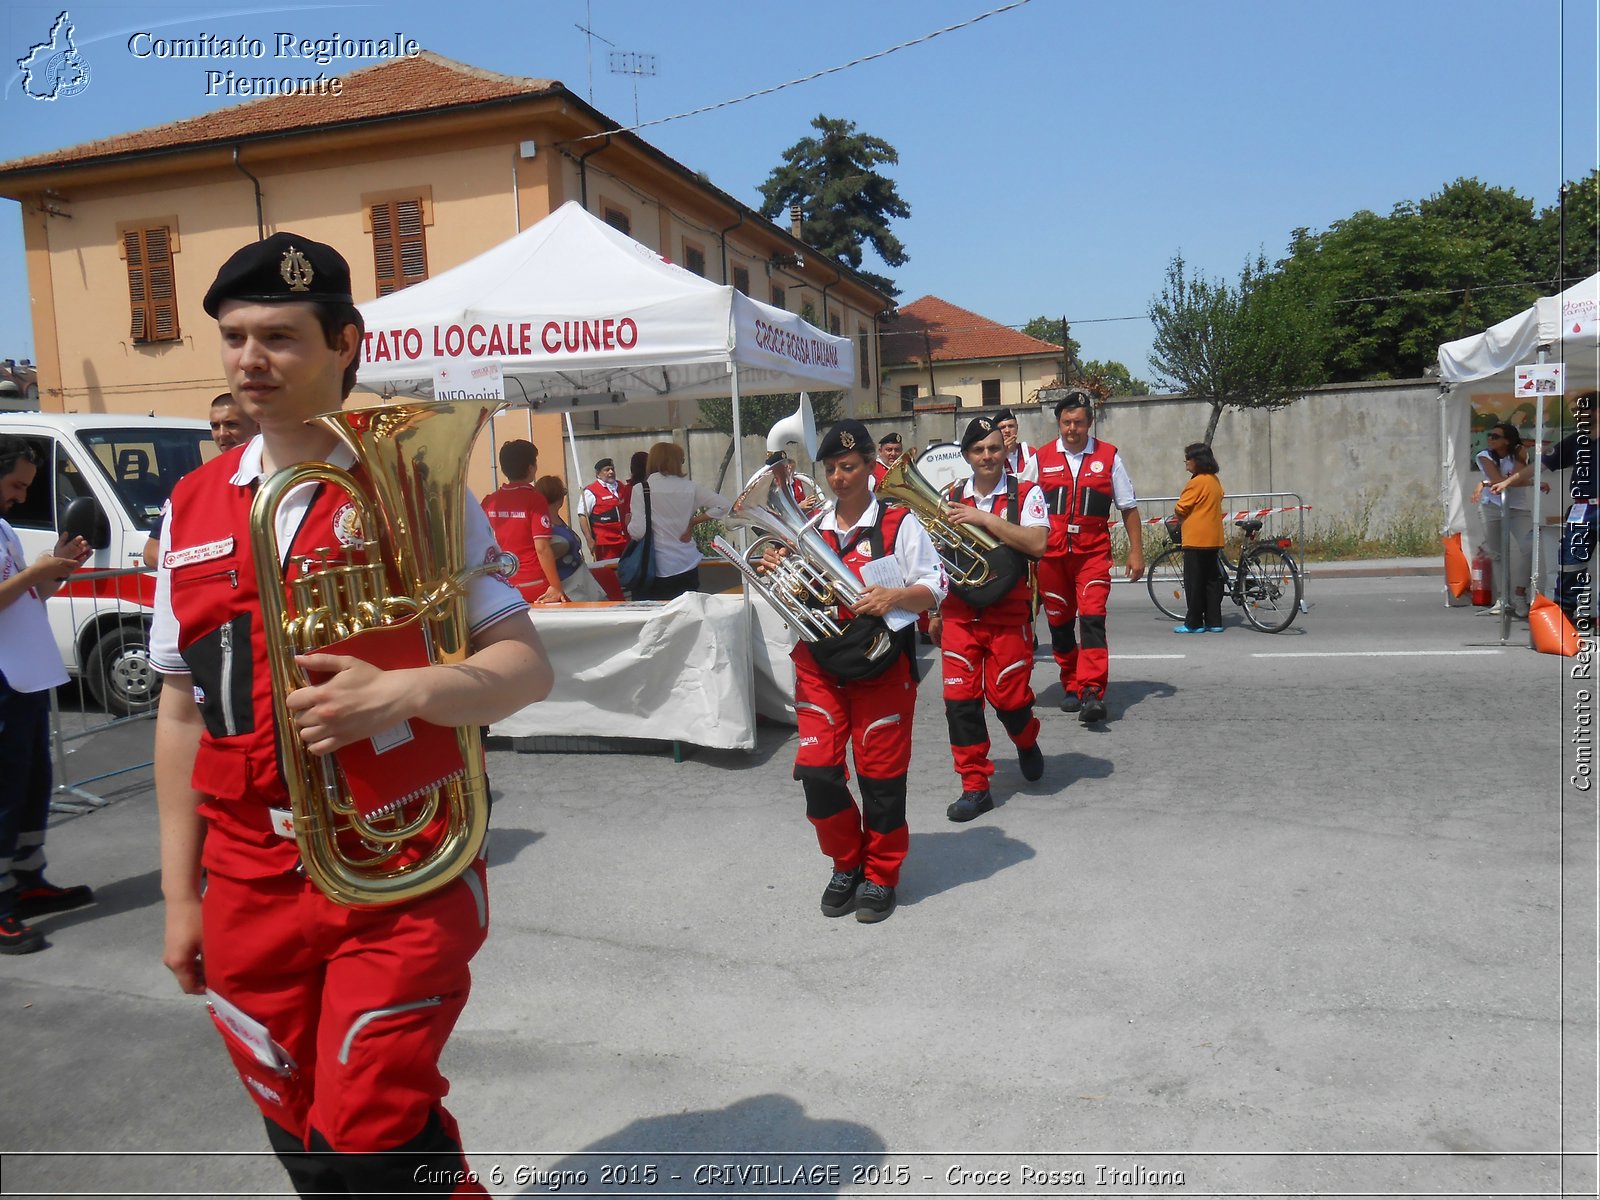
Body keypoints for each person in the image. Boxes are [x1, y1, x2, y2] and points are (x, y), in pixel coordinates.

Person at [150, 232, 552, 1197]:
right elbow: (176, 709)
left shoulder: (417, 486)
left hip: (399, 862)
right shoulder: (192, 503)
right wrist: (180, 896)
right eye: (236, 337)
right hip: (248, 868)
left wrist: (405, 691)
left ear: (344, 344)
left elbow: (524, 667)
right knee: (291, 1113)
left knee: (370, 1122)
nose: (252, 359)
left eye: (280, 337)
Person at [775, 418, 945, 923]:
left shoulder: (899, 522)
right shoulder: (809, 524)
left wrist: (897, 596)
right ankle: (846, 862)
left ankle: (881, 874)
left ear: (871, 466)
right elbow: (797, 591)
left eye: (848, 467)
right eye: (830, 469)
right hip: (820, 666)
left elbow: (936, 584)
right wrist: (778, 570)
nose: (838, 478)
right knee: (816, 771)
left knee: (882, 779)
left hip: (882, 667)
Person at [929, 416, 1053, 822]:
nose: (988, 456)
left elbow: (1037, 543)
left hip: (1007, 612)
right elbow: (933, 560)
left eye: (995, 448)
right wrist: (932, 612)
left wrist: (986, 520)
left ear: (1006, 451)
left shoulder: (1027, 492)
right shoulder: (948, 496)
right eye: (979, 450)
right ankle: (975, 786)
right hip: (960, 614)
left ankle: (1026, 740)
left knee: (1009, 699)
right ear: (967, 455)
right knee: (960, 704)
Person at [0, 438, 93, 955]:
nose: (18, 496)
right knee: (3, 796)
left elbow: (25, 597)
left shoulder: (4, 529)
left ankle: (26, 880)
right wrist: (35, 574)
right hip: (5, 679)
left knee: (32, 784)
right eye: (15, 485)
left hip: (25, 680)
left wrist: (53, 571)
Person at [1023, 390, 1144, 724]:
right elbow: (1019, 503)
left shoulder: (1109, 458)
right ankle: (1072, 685)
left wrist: (1136, 552)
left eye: (1078, 422)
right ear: (1059, 424)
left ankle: (1092, 690)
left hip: (1092, 555)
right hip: (1051, 557)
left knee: (1092, 619)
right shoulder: (1041, 458)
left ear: (1089, 423)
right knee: (1060, 626)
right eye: (1066, 422)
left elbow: (1129, 508)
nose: (1071, 429)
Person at [1497, 390, 1597, 620]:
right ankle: (1565, 615)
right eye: (1573, 411)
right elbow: (1541, 464)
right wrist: (1508, 481)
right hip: (1582, 508)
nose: (1575, 415)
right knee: (1570, 563)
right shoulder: (1576, 441)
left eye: (1579, 410)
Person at [143, 392, 262, 569]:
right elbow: (152, 552)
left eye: (231, 424)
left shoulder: (277, 476)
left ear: (258, 426)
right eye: (215, 426)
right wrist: (213, 569)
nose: (222, 434)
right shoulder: (192, 485)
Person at [624, 441, 729, 601]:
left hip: (653, 568)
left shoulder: (641, 489)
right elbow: (725, 505)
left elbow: (638, 532)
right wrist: (693, 521)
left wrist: (628, 523)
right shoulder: (690, 487)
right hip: (686, 563)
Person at [481, 439, 568, 605]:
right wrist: (556, 586)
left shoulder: (488, 501)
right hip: (534, 582)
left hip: (502, 583)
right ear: (531, 468)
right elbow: (542, 547)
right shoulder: (535, 499)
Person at [1473, 422, 1532, 618]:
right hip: (1492, 507)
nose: (1490, 439)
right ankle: (1502, 598)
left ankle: (1520, 595)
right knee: (1497, 553)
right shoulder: (1484, 455)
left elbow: (1515, 478)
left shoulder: (1519, 453)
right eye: (1490, 435)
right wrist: (1486, 482)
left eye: (1495, 436)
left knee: (1529, 547)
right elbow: (1500, 480)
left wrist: (1485, 483)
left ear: (1507, 440)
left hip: (1516, 507)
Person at [1171, 442, 1226, 634]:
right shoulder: (1214, 480)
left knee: (1194, 583)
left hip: (1196, 538)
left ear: (1197, 461)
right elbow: (1220, 497)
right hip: (1214, 537)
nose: (1185, 462)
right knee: (1211, 581)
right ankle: (1214, 621)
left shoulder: (1196, 482)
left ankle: (1194, 622)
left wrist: (1179, 512)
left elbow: (1181, 507)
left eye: (1188, 458)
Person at [996, 408, 1036, 476]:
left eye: (1011, 426)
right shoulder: (993, 456)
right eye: (1002, 427)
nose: (1007, 431)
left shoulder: (1030, 453)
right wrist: (1002, 453)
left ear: (1017, 428)